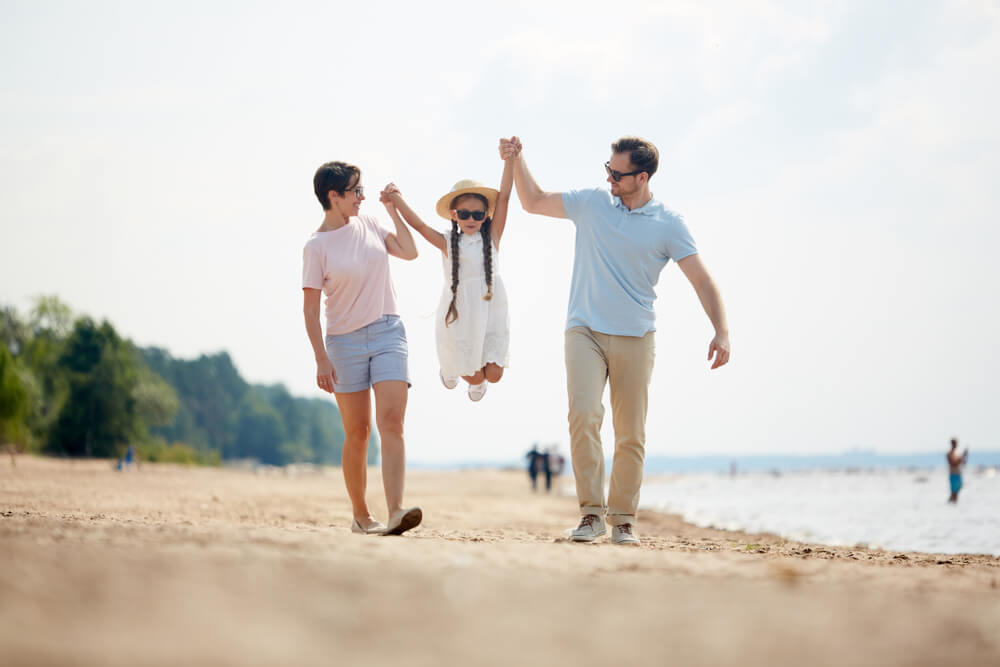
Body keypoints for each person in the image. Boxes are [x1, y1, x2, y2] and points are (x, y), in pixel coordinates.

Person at [501, 135, 731, 546]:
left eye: (617, 173)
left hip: (637, 336)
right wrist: (518, 160)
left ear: (641, 177)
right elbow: (532, 201)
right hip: (584, 329)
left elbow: (701, 279)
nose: (608, 178)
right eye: (607, 169)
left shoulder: (668, 223)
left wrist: (721, 331)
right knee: (584, 414)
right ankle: (591, 515)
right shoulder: (592, 204)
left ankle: (623, 520)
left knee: (630, 433)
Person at [302, 161, 422, 536]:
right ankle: (360, 514)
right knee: (358, 432)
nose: (362, 197)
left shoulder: (369, 223)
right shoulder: (316, 247)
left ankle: (397, 510)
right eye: (355, 191)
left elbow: (409, 250)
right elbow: (309, 309)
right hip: (344, 343)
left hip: (388, 332)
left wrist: (392, 209)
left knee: (392, 422)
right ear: (333, 196)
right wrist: (321, 357)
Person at [384, 155, 514, 401]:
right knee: (475, 376)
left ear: (487, 215)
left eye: (477, 215)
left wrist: (510, 160)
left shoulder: (492, 238)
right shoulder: (448, 242)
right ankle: (454, 371)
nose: (471, 220)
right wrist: (397, 201)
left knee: (494, 374)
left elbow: (505, 197)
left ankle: (472, 378)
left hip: (491, 311)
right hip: (461, 312)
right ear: (454, 215)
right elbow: (420, 226)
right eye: (465, 214)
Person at [946, 437, 969, 503]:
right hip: (953, 474)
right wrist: (962, 456)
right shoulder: (949, 454)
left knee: (957, 491)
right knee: (953, 492)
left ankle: (954, 503)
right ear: (952, 444)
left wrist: (965, 455)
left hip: (958, 474)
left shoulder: (957, 454)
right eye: (954, 443)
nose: (955, 445)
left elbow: (963, 463)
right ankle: (950, 503)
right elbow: (953, 463)